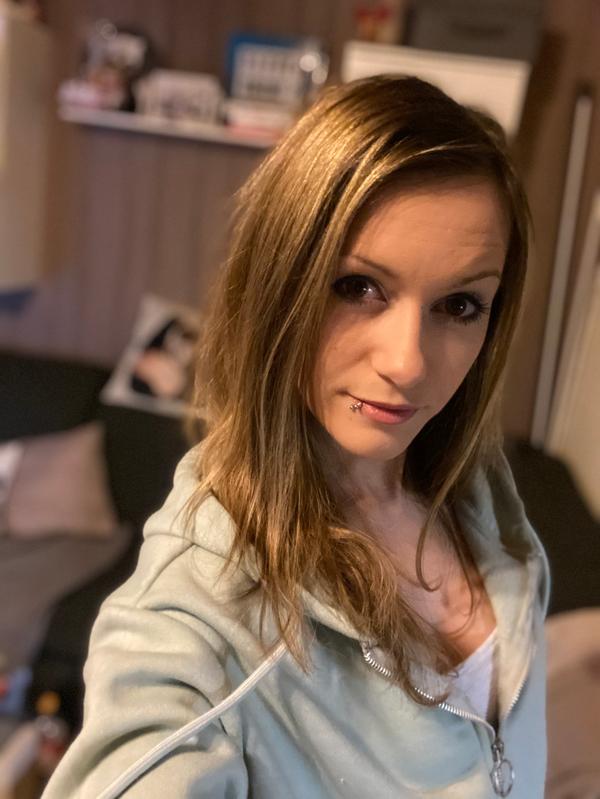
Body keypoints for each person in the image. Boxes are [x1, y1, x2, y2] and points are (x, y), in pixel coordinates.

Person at [42, 75, 550, 799]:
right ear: (280, 282)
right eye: (358, 287)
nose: (408, 363)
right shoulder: (206, 604)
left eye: (460, 304)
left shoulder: (482, 500)